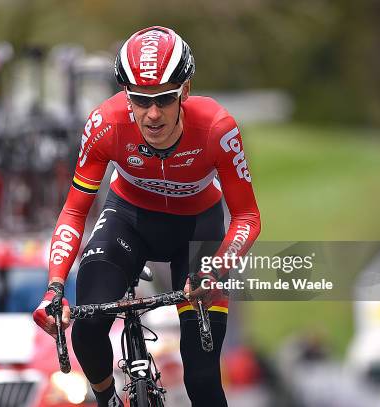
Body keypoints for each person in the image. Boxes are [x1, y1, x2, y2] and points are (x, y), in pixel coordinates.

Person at [33, 26, 261, 407]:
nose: (152, 114)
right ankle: (107, 399)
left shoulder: (218, 129)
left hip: (197, 230)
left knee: (203, 378)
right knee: (87, 329)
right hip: (128, 222)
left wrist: (215, 270)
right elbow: (74, 211)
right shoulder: (105, 124)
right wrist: (55, 287)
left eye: (164, 99)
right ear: (126, 95)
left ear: (184, 91)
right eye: (140, 100)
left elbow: (247, 217)